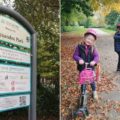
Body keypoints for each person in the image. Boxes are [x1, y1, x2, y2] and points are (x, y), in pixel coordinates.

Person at [73, 29, 100, 100]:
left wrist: (94, 61)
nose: (89, 41)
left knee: (91, 80)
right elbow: (75, 55)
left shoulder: (93, 48)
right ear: (84, 38)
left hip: (90, 67)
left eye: (92, 40)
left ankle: (94, 91)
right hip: (82, 67)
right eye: (88, 38)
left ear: (94, 41)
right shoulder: (79, 47)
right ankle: (83, 92)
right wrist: (79, 59)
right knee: (83, 80)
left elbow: (97, 56)